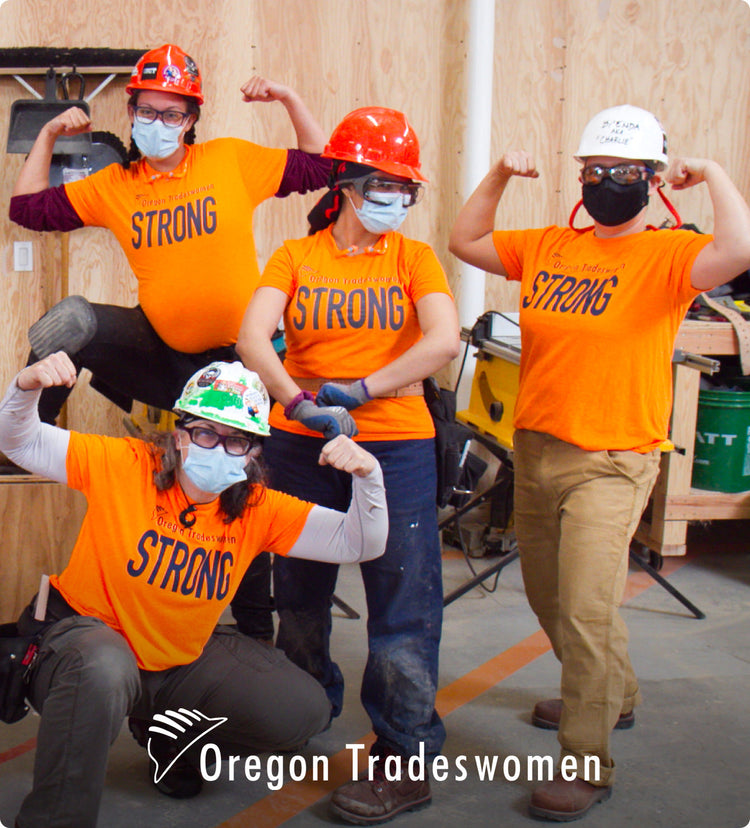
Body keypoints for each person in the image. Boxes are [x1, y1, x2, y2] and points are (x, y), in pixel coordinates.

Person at [448, 103, 750, 821]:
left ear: (650, 180)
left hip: (614, 460)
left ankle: (588, 762)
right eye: (593, 171)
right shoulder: (548, 245)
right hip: (539, 447)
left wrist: (711, 174)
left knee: (585, 610)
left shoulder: (672, 255)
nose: (606, 181)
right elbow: (466, 238)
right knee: (549, 599)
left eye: (622, 171)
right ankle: (617, 691)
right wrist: (496, 174)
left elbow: (739, 250)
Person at [9, 42, 330, 642]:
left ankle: (254, 628)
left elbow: (321, 166)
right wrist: (50, 130)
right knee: (72, 319)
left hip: (238, 369)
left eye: (172, 114)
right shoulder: (117, 185)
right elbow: (28, 209)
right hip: (163, 358)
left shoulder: (229, 161)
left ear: (191, 121)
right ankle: (25, 439)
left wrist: (289, 98)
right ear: (130, 113)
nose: (158, 124)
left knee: (243, 489)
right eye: (147, 112)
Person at [0, 353, 387, 828]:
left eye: (237, 440)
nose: (219, 448)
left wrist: (370, 480)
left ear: (253, 453)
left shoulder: (257, 508)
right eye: (206, 433)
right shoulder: (126, 465)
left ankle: (170, 737)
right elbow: (17, 441)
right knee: (103, 666)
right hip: (84, 645)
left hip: (176, 661)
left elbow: (360, 541)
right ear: (180, 436)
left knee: (302, 711)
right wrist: (26, 387)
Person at [236, 106, 460, 824]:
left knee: (402, 605)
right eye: (384, 183)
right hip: (301, 442)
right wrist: (295, 400)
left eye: (406, 186)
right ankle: (302, 709)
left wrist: (361, 392)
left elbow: (444, 341)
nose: (397, 198)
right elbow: (251, 336)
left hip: (394, 444)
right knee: (299, 591)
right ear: (346, 183)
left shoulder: (414, 258)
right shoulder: (297, 257)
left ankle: (404, 756)